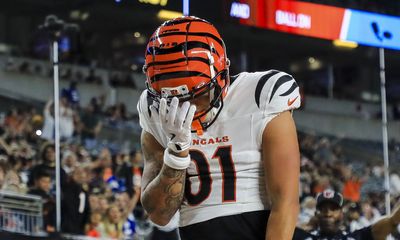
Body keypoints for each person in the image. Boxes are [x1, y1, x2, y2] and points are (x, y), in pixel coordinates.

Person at [137, 16, 301, 240]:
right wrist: (176, 153)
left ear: (222, 72)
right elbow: (159, 215)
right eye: (176, 100)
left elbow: (285, 203)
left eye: (198, 95)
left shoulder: (261, 94)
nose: (189, 107)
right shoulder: (153, 109)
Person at [294, 189, 400, 240]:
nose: (328, 213)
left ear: (341, 213)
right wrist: (306, 226)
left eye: (333, 209)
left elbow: (392, 221)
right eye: (323, 209)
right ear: (316, 214)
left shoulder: (354, 237)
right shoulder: (304, 237)